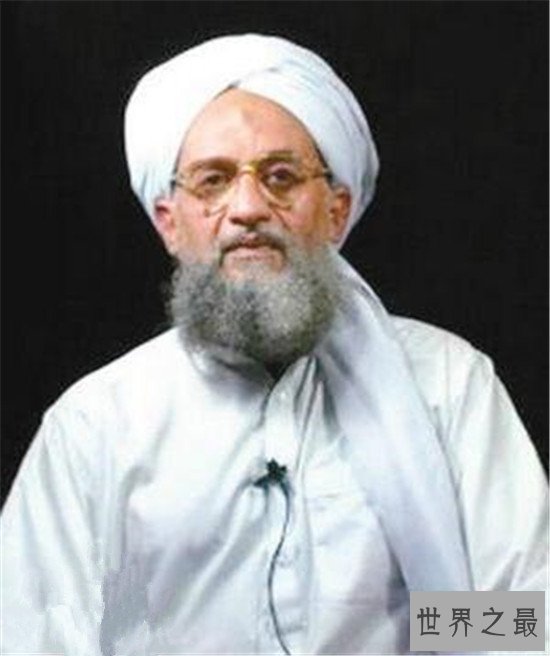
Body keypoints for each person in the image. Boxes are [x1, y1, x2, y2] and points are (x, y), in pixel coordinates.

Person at [1, 33, 547, 656]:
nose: (248, 208)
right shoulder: (101, 425)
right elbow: (44, 633)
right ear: (169, 222)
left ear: (336, 211)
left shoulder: (444, 385)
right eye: (213, 181)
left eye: (281, 177)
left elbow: (523, 618)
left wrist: (415, 632)